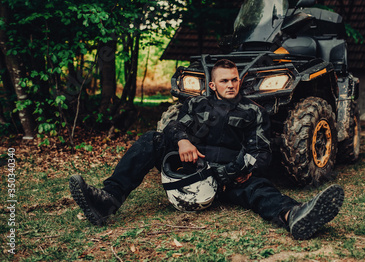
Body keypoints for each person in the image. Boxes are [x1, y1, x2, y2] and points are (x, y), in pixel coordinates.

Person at [69, 59, 344, 240]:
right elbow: (172, 128)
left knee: (260, 188)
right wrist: (182, 141)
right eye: (225, 81)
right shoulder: (197, 105)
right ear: (213, 85)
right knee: (151, 139)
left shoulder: (254, 112)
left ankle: (294, 216)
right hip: (192, 172)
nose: (231, 85)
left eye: (234, 80)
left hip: (232, 177)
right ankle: (108, 199)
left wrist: (233, 172)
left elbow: (261, 153)